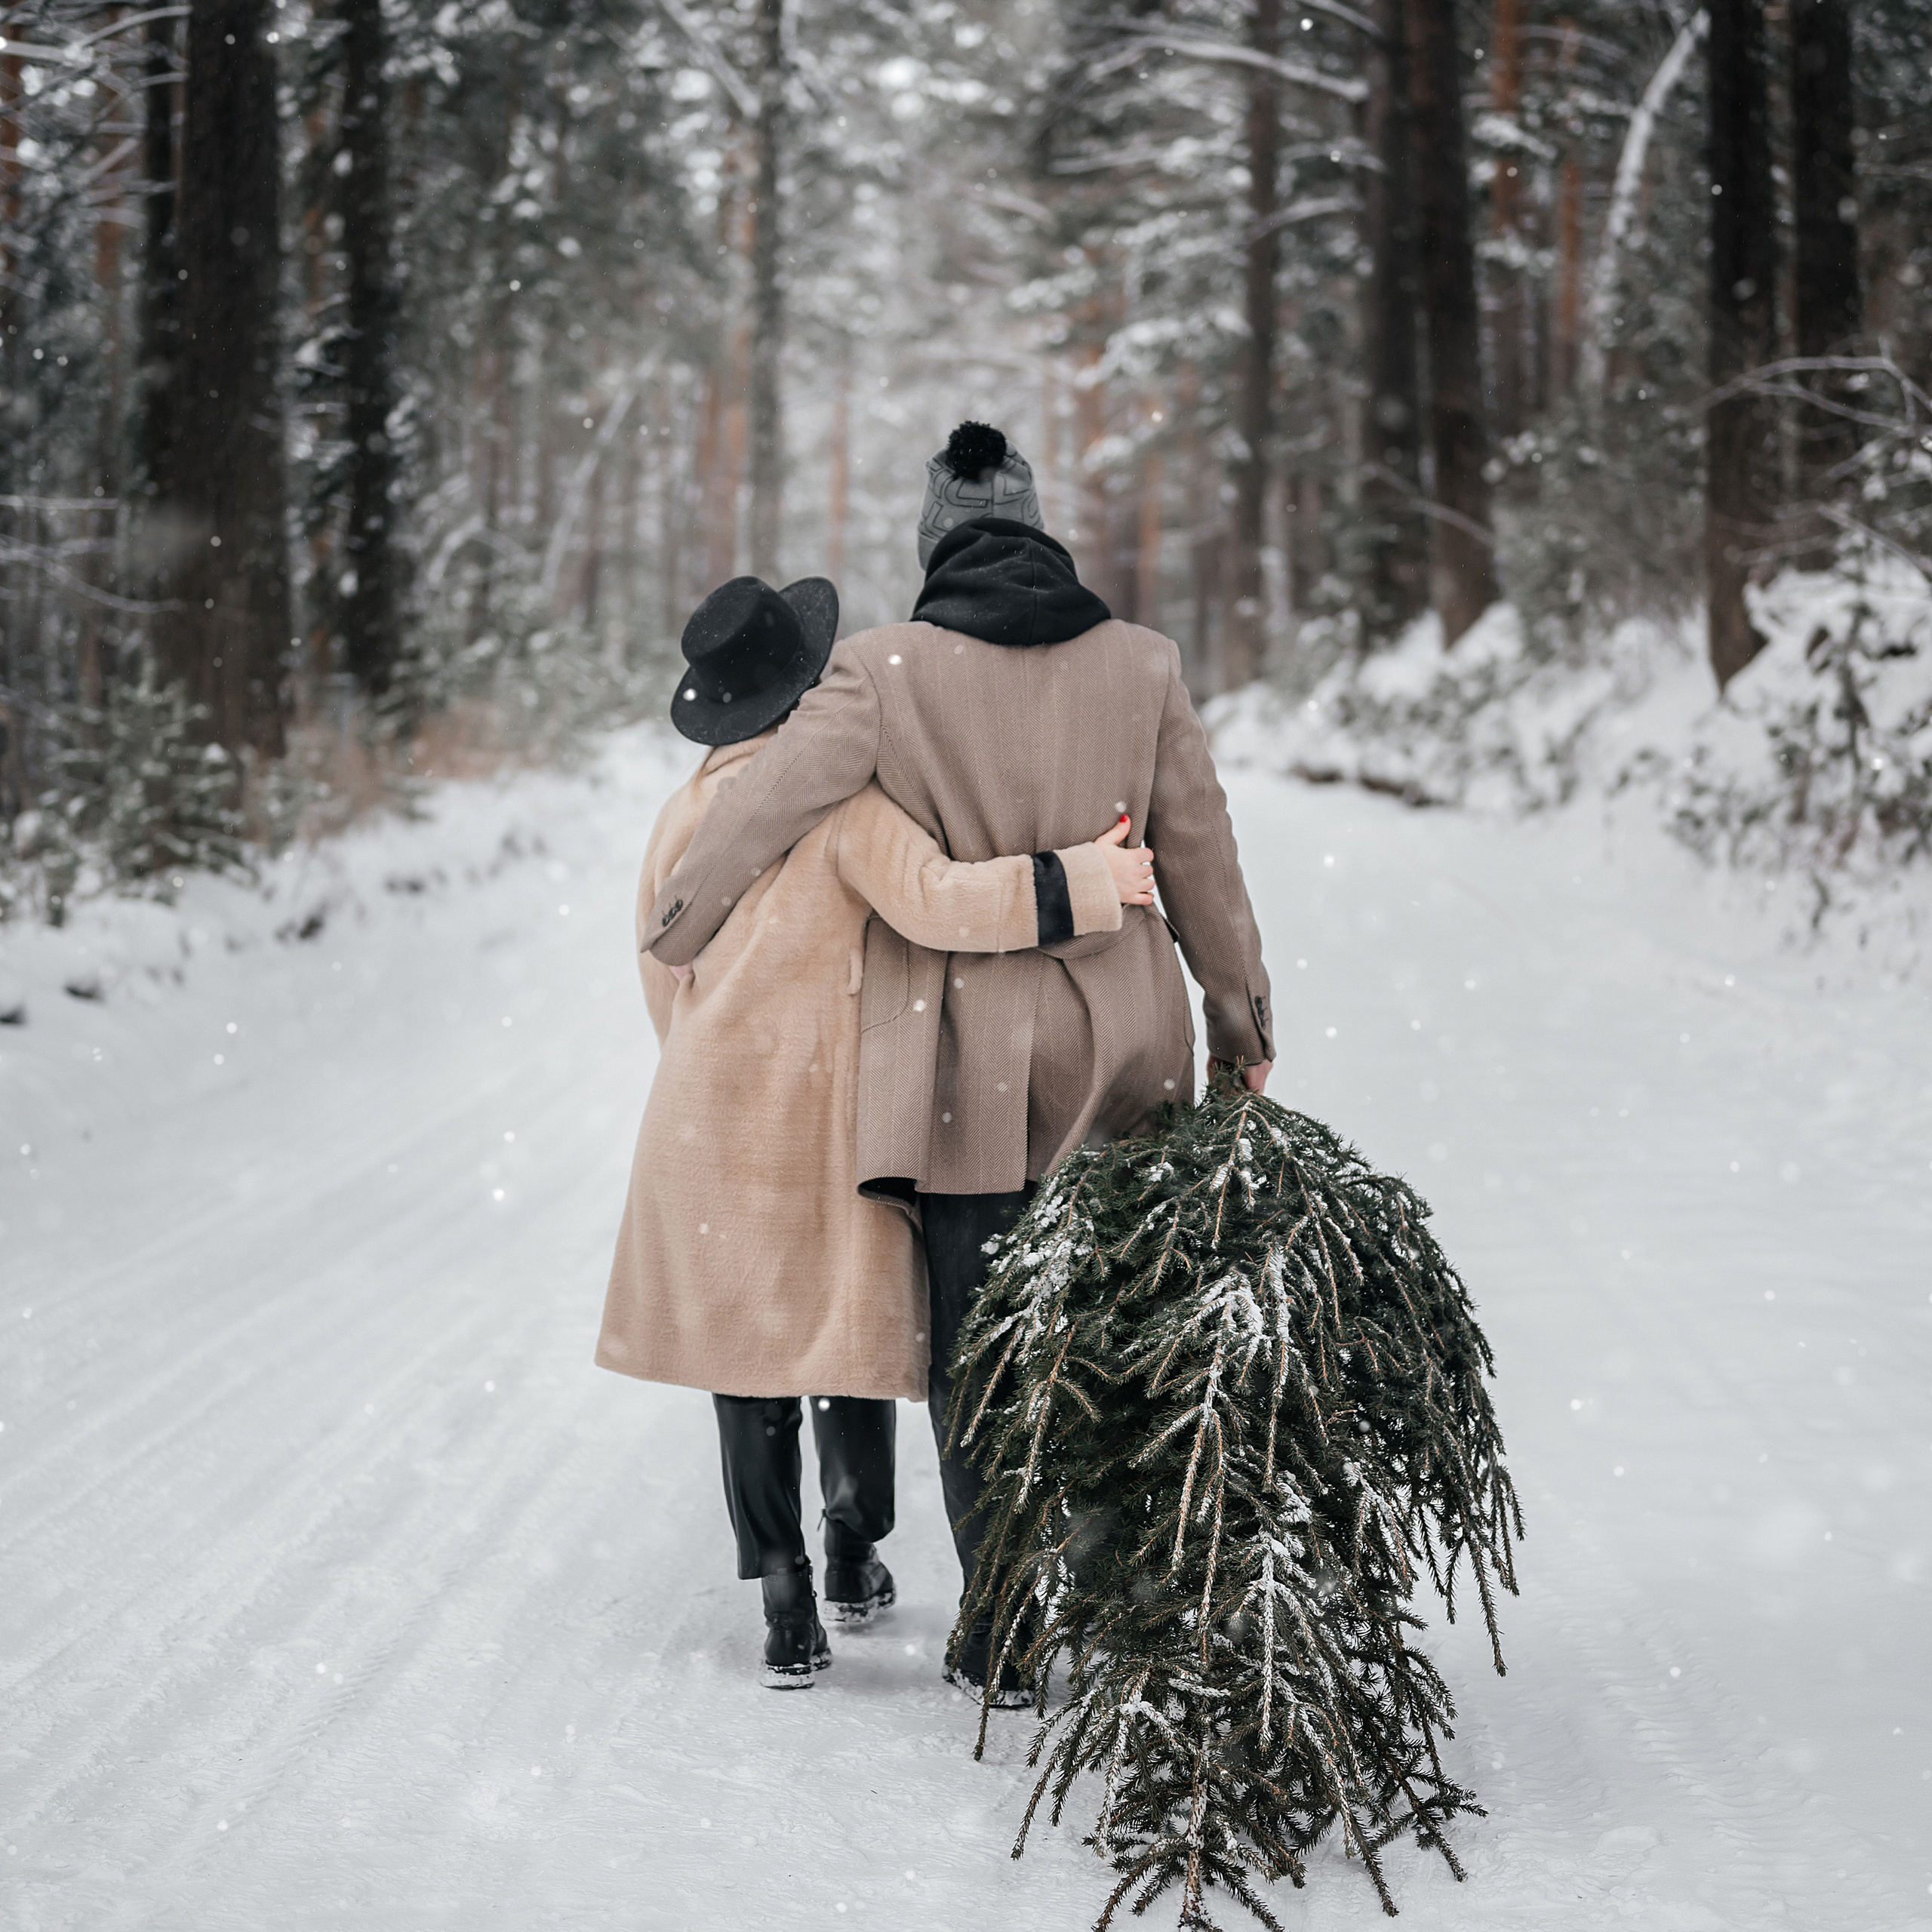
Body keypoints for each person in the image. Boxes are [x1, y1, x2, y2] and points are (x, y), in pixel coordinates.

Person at [641, 424, 1274, 1703]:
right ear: (1047, 533)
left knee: (979, 1356)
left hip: (961, 1077)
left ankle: (1002, 1626)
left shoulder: (880, 672)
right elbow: (1203, 858)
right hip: (1127, 1059)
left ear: (933, 548)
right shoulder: (1145, 667)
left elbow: (763, 808)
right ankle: (1113, 1590)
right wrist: (1243, 1027)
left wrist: (680, 922)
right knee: (1113, 1334)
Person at [596, 571, 1154, 1688]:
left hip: (711, 1121)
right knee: (848, 1337)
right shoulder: (847, 809)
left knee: (746, 1362)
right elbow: (947, 902)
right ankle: (853, 1552)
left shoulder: (685, 816)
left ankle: (785, 1602)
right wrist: (1086, 880)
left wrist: (714, 1078)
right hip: (833, 1114)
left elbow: (664, 970)